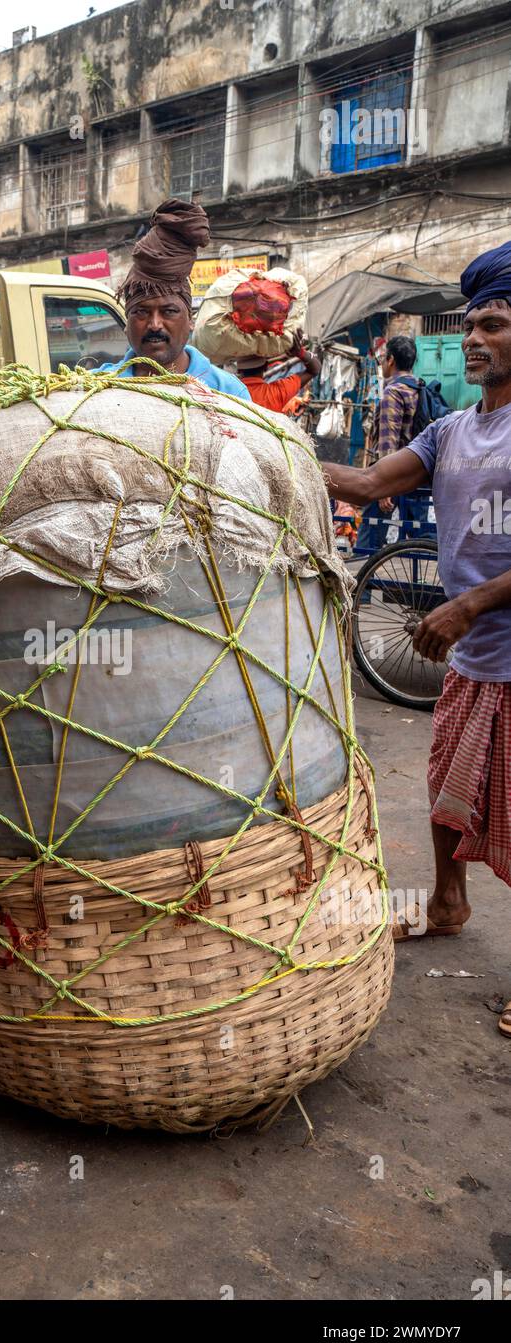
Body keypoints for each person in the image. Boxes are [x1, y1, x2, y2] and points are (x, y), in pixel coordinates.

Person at [319, 241, 511, 1037]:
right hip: (474, 662)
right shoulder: (452, 431)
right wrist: (264, 445)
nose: (474, 338)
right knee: (444, 788)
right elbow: (366, 483)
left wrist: (468, 606)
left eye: (493, 324)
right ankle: (446, 901)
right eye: (470, 325)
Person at [97, 199, 250, 398]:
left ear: (191, 320)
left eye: (168, 311)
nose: (154, 325)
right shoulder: (97, 387)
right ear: (127, 323)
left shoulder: (228, 392)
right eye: (141, 312)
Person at [355, 335, 421, 551]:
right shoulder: (418, 388)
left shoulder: (393, 392)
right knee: (420, 534)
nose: (382, 363)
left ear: (391, 360)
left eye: (383, 358)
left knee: (369, 538)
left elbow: (387, 441)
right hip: (416, 474)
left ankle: (363, 583)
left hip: (391, 477)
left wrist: (383, 487)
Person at [235, 328, 320, 411]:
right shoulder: (277, 392)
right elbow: (314, 370)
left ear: (238, 370)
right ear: (265, 367)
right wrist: (300, 353)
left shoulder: (227, 391)